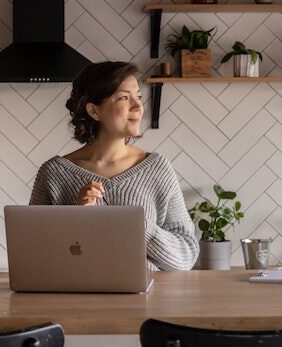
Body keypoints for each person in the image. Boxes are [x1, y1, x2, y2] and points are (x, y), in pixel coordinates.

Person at [29, 61, 199, 271]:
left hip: (147, 301)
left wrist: (140, 226)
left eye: (138, 96)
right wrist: (75, 218)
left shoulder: (157, 168)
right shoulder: (53, 174)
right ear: (94, 110)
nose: (138, 106)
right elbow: (33, 257)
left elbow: (186, 256)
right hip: (74, 300)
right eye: (124, 98)